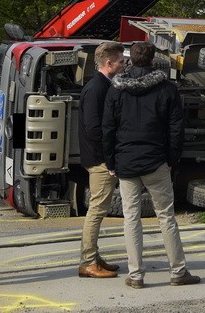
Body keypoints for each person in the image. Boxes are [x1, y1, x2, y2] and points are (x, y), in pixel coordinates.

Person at [102, 41, 201, 288]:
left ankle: (135, 275)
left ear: (130, 60)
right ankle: (178, 271)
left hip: (125, 162)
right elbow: (176, 127)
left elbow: (108, 128)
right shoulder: (166, 88)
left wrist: (110, 160)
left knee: (131, 218)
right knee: (166, 216)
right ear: (153, 59)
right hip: (156, 161)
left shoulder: (116, 89)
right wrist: (171, 159)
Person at [77, 41, 128, 278]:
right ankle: (88, 261)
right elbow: (94, 129)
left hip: (101, 157)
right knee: (97, 209)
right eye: (121, 61)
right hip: (100, 159)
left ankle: (93, 257)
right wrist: (109, 160)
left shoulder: (101, 85)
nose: (124, 64)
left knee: (99, 207)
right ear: (109, 63)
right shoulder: (96, 88)